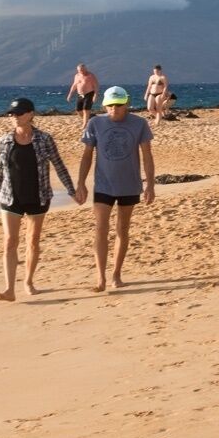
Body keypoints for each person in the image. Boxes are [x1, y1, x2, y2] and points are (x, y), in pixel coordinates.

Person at [0, 97, 79, 302]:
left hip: (38, 196)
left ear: (30, 114)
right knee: (10, 241)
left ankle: (28, 280)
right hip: (10, 197)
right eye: (11, 114)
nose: (14, 117)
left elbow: (59, 166)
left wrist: (72, 190)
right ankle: (9, 289)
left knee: (33, 241)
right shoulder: (4, 140)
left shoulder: (45, 139)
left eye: (18, 113)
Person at [75, 85, 154, 291]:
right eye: (110, 105)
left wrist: (150, 185)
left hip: (130, 185)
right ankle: (100, 277)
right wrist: (81, 183)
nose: (114, 109)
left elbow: (147, 155)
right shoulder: (95, 123)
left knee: (122, 229)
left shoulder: (139, 124)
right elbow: (87, 155)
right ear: (104, 105)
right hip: (103, 185)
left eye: (119, 105)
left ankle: (116, 274)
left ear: (126, 104)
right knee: (101, 229)